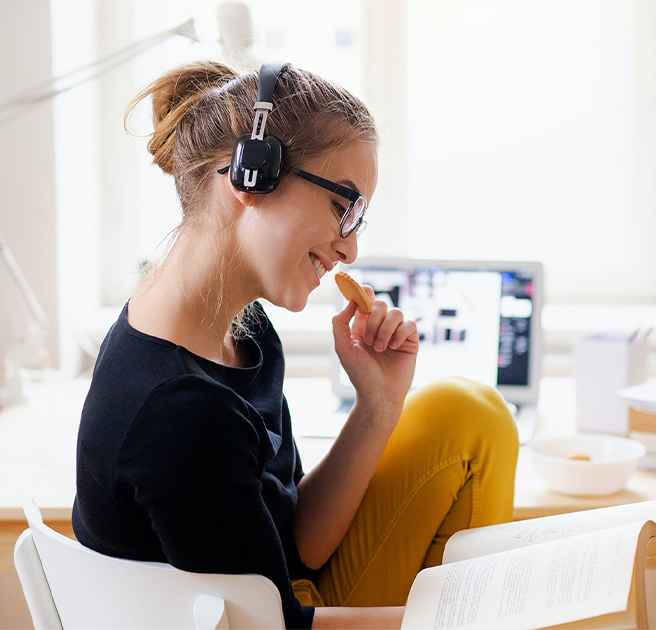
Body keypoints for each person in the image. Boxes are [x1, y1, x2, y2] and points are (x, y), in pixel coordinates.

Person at [72, 60, 519, 629]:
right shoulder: (181, 413)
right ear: (250, 176)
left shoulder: (238, 329)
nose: (350, 249)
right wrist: (468, 620)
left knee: (466, 412)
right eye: (344, 206)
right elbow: (272, 626)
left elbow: (296, 543)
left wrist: (377, 405)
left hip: (280, 597)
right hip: (273, 624)